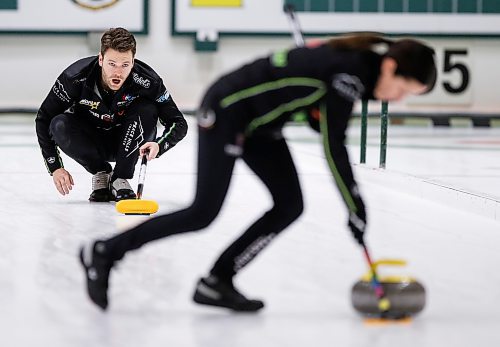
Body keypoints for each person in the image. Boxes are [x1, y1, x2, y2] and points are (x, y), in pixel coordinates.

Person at [79, 34, 436, 311]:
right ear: (390, 67)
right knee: (203, 212)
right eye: (403, 89)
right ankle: (105, 251)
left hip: (260, 126)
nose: (399, 98)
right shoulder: (350, 75)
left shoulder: (355, 68)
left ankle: (217, 281)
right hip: (227, 110)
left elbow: (305, 103)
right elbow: (334, 146)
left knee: (289, 205)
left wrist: (311, 114)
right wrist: (355, 206)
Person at [35, 27, 187, 201]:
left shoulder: (148, 81)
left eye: (125, 65)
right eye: (112, 64)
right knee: (58, 124)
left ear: (133, 62)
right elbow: (43, 118)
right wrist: (55, 167)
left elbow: (179, 123)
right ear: (100, 59)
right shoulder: (74, 77)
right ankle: (102, 172)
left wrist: (160, 145)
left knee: (147, 109)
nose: (118, 73)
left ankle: (120, 178)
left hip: (130, 142)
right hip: (92, 141)